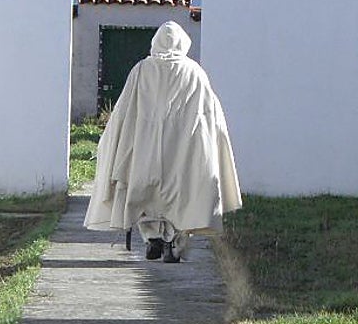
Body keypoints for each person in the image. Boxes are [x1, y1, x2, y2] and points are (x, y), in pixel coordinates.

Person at [84, 21, 241, 262]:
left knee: (145, 195)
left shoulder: (141, 70)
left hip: (145, 147)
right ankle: (173, 245)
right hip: (183, 149)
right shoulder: (194, 72)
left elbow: (124, 110)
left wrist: (116, 140)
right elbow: (211, 114)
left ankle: (152, 239)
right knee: (180, 195)